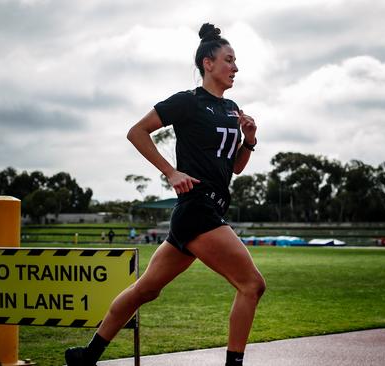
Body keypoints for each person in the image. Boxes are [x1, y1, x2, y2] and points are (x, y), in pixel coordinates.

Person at [65, 23, 265, 366]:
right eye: (229, 60)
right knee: (252, 285)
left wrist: (249, 139)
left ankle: (87, 356)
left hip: (206, 211)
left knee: (146, 290)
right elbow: (137, 132)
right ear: (208, 63)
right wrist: (170, 172)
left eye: (236, 61)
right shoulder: (187, 102)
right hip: (198, 210)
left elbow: (235, 168)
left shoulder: (233, 109)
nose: (235, 67)